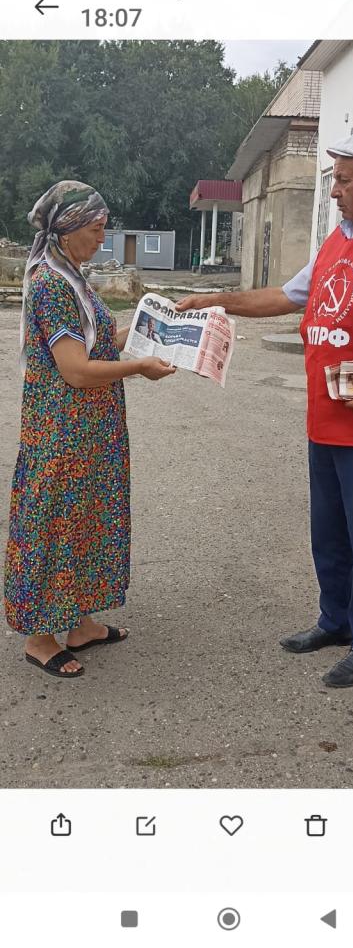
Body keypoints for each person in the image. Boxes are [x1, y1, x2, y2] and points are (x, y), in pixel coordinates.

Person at [177, 133, 353, 687]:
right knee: (328, 530)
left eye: (343, 179)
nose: (333, 190)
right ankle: (334, 621)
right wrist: (219, 300)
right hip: (327, 413)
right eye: (335, 178)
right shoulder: (340, 239)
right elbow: (287, 296)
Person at [4, 181, 176, 678]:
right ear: (70, 227)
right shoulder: (51, 284)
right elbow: (76, 369)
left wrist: (151, 324)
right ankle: (39, 636)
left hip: (92, 427)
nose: (103, 238)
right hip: (61, 430)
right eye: (97, 229)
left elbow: (98, 343)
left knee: (88, 518)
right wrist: (139, 369)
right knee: (54, 521)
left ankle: (79, 624)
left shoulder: (74, 277)